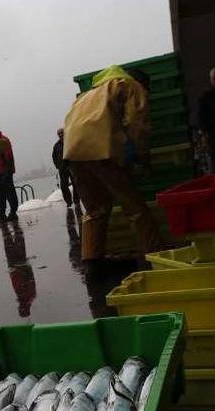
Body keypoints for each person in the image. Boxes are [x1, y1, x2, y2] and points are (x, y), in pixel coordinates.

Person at [62, 65, 163, 265]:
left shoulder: (86, 95)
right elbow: (137, 123)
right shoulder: (129, 84)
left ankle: (92, 263)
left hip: (73, 153)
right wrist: (143, 157)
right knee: (135, 208)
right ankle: (154, 256)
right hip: (102, 149)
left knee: (94, 210)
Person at [0, 124, 19, 223]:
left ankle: (13, 212)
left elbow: (8, 157)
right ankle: (2, 214)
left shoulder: (4, 140)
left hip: (6, 171)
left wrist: (7, 171)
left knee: (10, 192)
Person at [51, 128, 75, 206]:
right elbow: (54, 157)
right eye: (59, 134)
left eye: (62, 133)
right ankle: (68, 201)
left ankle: (77, 200)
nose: (61, 135)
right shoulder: (56, 146)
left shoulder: (70, 142)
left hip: (71, 166)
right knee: (63, 186)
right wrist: (57, 166)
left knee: (75, 183)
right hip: (62, 168)